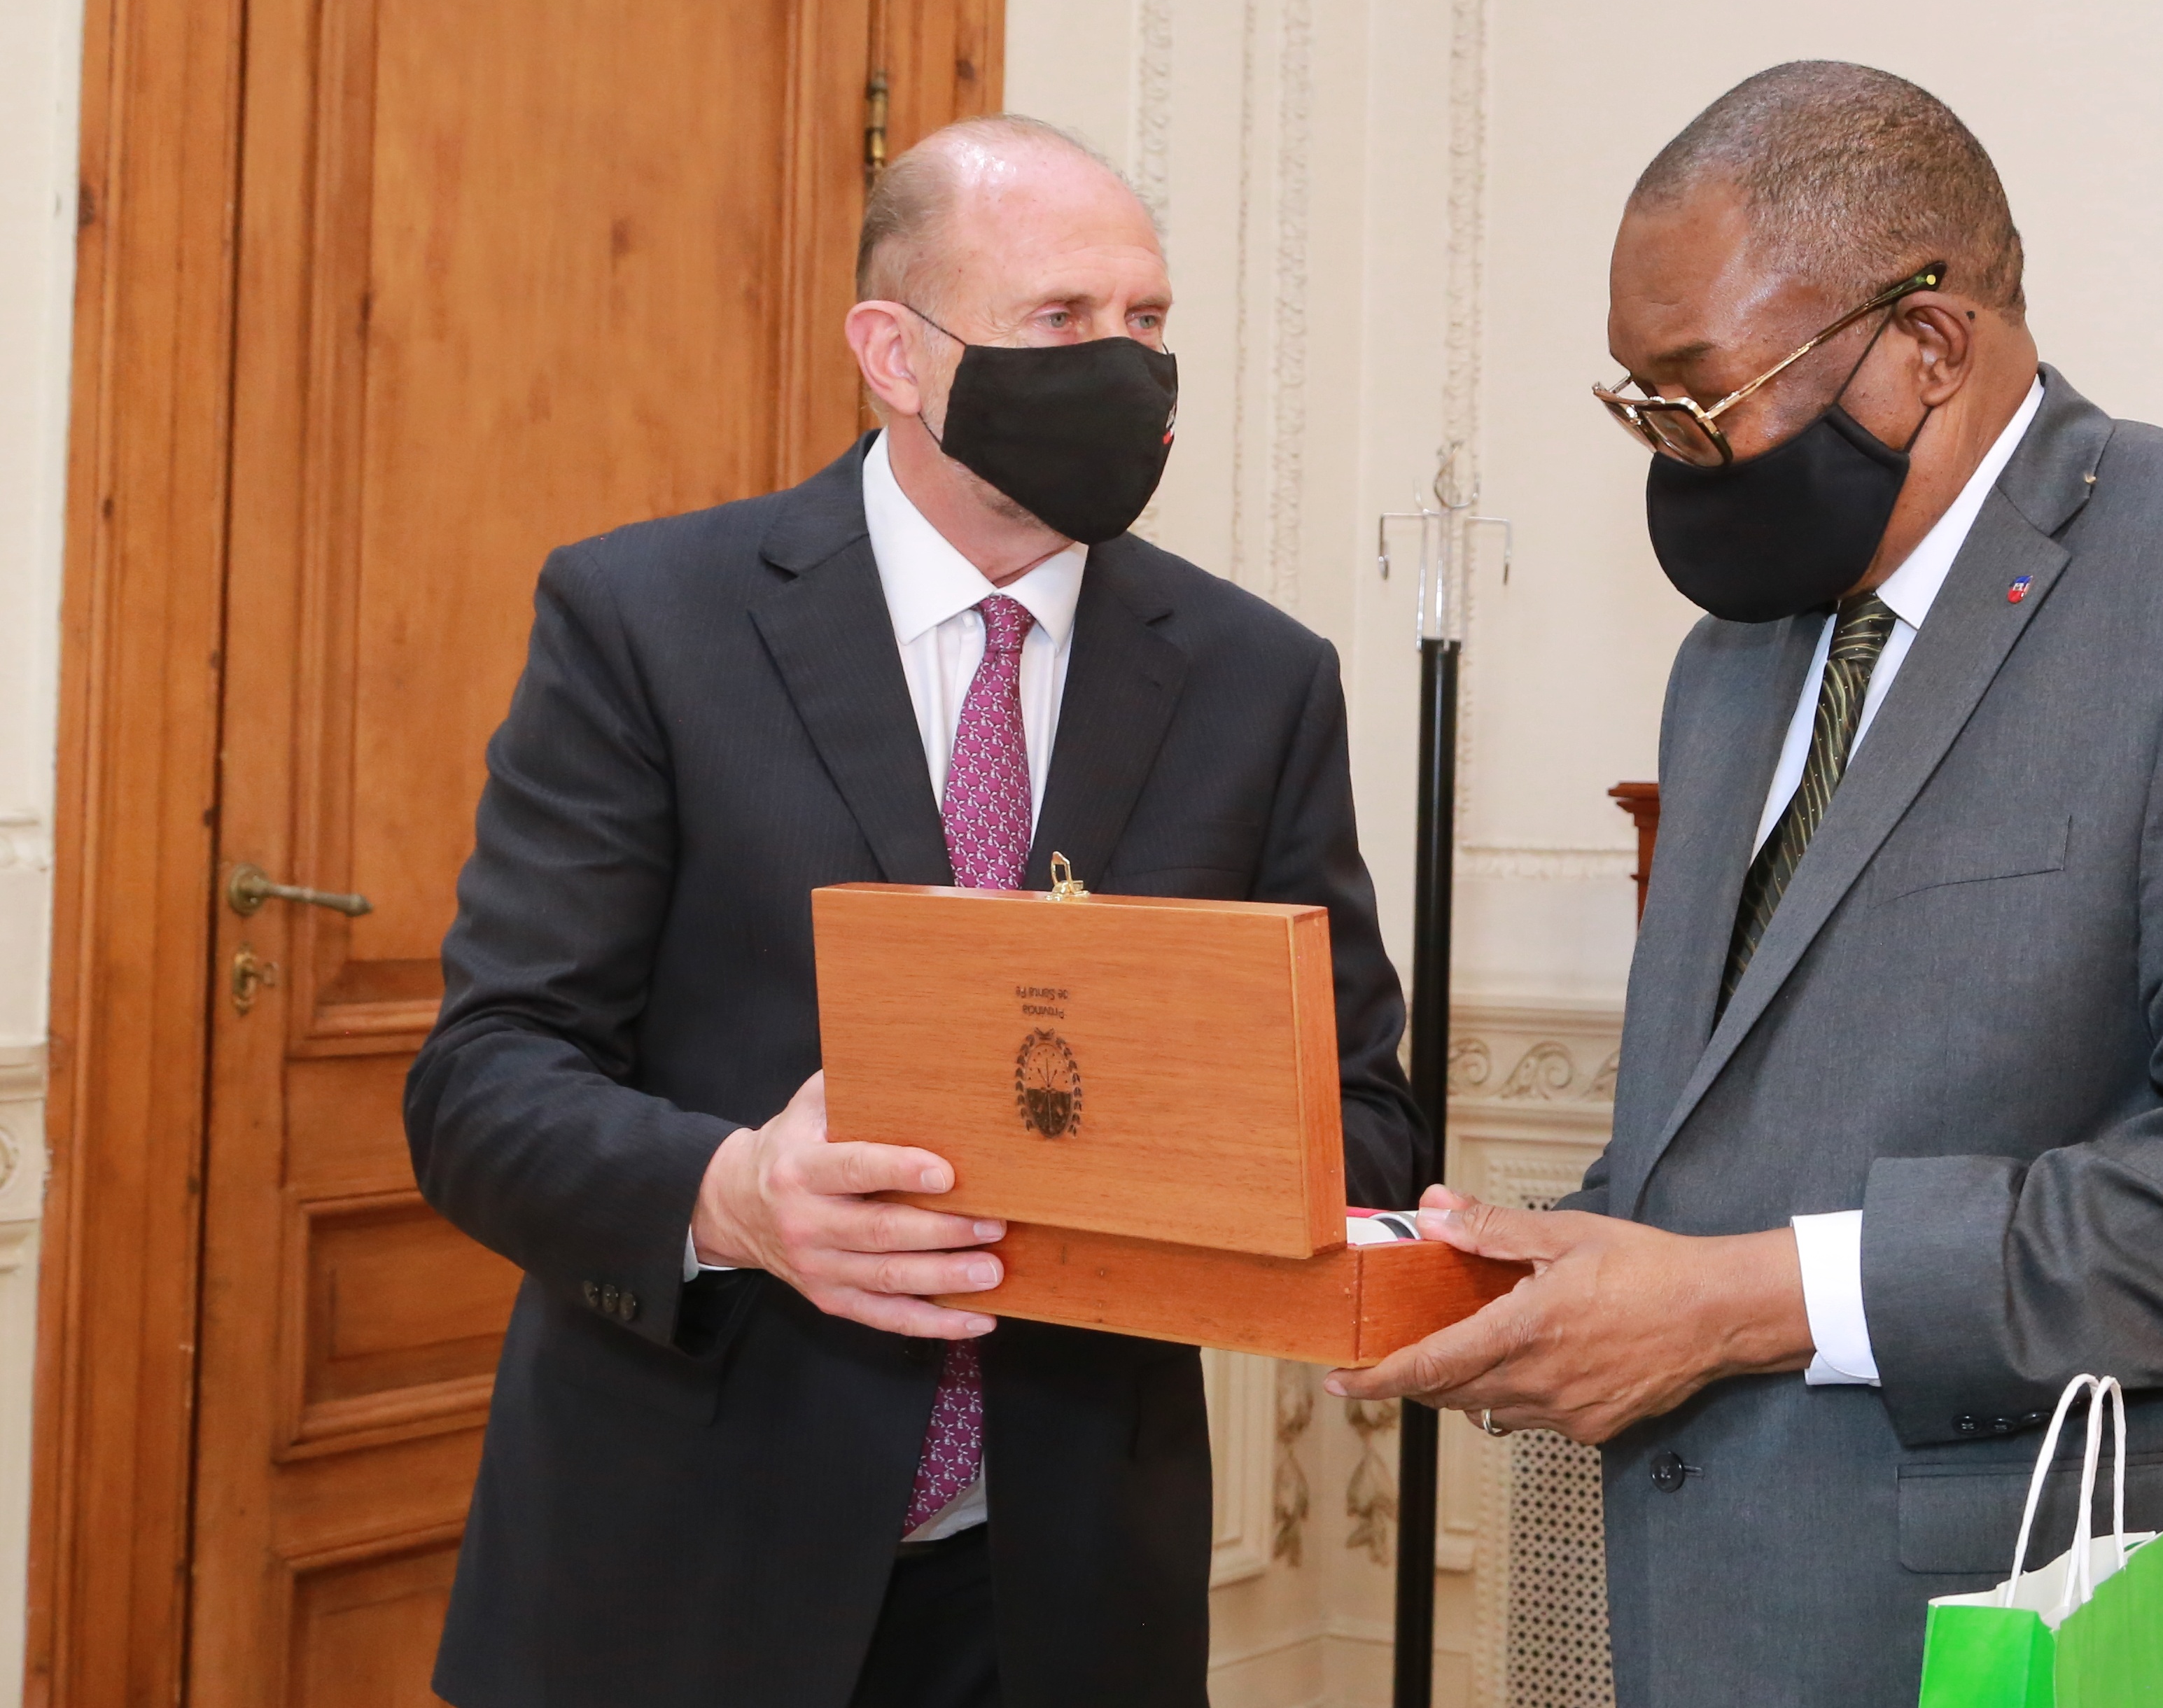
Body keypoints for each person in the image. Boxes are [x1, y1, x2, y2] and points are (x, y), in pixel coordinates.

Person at [1330, 62, 2163, 1706]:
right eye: (1640, 406)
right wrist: (1554, 1258)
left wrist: (1754, 1301)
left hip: (2093, 1612)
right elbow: (1753, 1114)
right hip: (1744, 1617)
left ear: (1928, 343)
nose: (1677, 453)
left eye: (1702, 396)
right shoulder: (1735, 660)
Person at [410, 114, 1424, 1708]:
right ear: (895, 352)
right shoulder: (646, 621)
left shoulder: (1260, 679)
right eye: (1061, 319)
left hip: (1065, 1595)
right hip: (679, 1572)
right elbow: (484, 1081)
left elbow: (1364, 1119)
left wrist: (1177, 1160)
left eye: (1148, 319)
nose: (1125, 364)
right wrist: (736, 1195)